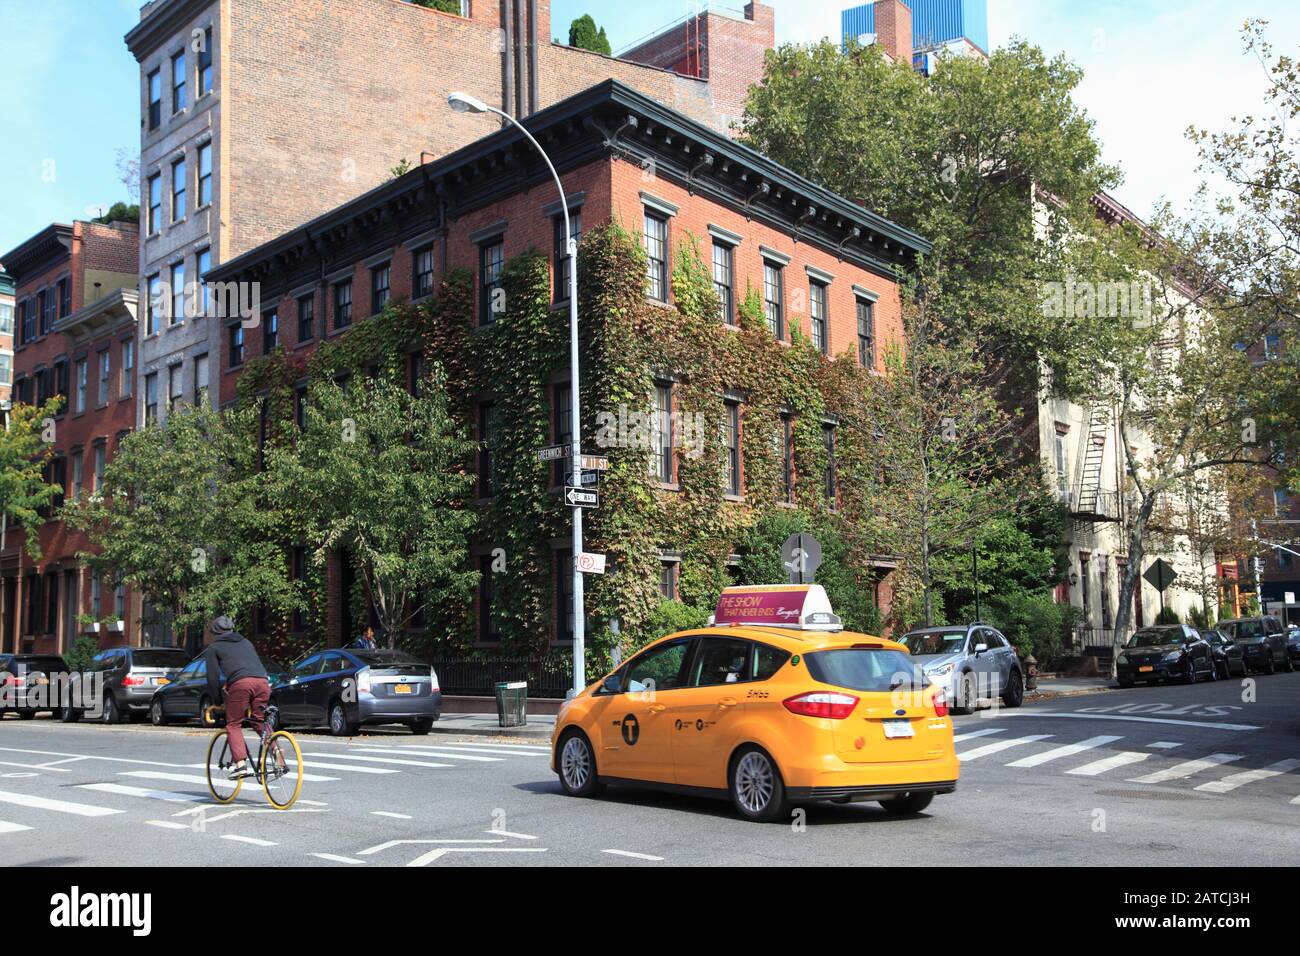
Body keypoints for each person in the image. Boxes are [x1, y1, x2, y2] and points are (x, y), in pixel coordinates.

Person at [203, 615, 270, 780]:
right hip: (263, 682)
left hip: (241, 684)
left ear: (215, 632)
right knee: (259, 720)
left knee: (233, 724)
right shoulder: (246, 642)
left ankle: (240, 765)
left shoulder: (214, 648)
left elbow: (212, 677)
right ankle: (277, 750)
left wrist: (217, 701)